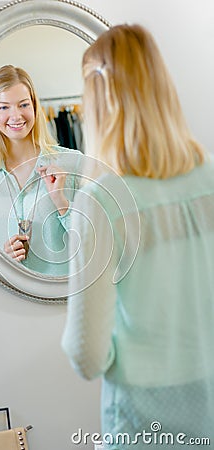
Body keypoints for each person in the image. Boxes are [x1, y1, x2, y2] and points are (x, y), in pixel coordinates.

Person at [61, 24, 214, 448]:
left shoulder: (100, 203)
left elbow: (87, 355)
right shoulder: (211, 178)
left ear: (98, 99)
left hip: (144, 416)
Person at [0, 65, 81, 276]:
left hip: (60, 299)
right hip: (5, 298)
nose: (16, 115)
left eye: (23, 104)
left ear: (35, 107)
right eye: (4, 107)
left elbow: (96, 242)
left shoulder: (73, 163)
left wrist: (62, 204)